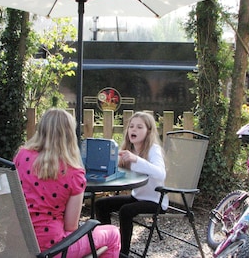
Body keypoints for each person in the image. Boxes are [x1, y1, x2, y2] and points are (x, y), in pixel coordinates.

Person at [13, 108, 121, 257]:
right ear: (69, 135)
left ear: (41, 130)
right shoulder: (74, 173)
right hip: (53, 249)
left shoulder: (21, 156)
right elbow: (71, 227)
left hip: (17, 242)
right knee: (113, 234)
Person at [94, 112, 168, 255]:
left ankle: (123, 253)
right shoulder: (130, 149)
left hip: (155, 200)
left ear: (148, 132)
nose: (134, 130)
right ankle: (108, 245)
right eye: (131, 126)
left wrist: (136, 160)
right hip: (137, 197)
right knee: (100, 204)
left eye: (140, 127)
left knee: (126, 211)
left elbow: (161, 173)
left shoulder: (153, 149)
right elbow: (120, 171)